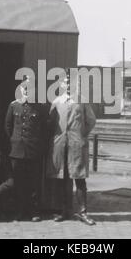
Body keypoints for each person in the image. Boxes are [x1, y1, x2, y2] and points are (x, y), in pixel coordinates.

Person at [46, 71, 97, 225]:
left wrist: (80, 136)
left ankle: (83, 212)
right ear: (61, 84)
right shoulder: (56, 101)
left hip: (76, 146)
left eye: (70, 82)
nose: (68, 85)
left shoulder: (82, 101)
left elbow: (91, 121)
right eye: (65, 82)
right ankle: (63, 210)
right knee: (61, 179)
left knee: (79, 179)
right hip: (61, 146)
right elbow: (51, 123)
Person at [4, 77, 46, 222]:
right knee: (19, 183)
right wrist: (16, 141)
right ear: (20, 90)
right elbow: (8, 126)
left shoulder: (40, 107)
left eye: (30, 88)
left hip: (34, 151)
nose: (27, 90)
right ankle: (20, 211)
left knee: (34, 183)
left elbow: (45, 129)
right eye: (24, 88)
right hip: (17, 151)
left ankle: (34, 211)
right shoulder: (14, 106)